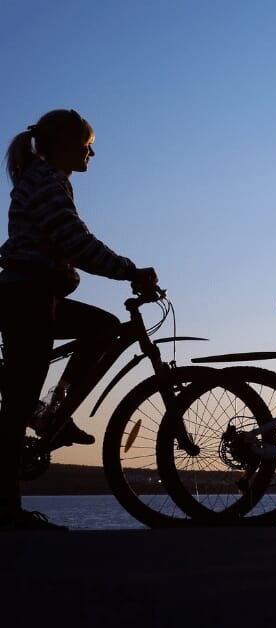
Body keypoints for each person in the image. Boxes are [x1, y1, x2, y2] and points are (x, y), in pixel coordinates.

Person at [0, 109, 158, 531]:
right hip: (28, 296)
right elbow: (74, 240)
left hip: (35, 293)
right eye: (88, 144)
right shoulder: (47, 180)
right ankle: (8, 506)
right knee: (16, 405)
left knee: (101, 328)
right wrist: (130, 270)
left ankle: (53, 412)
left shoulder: (47, 179)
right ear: (65, 144)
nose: (93, 152)